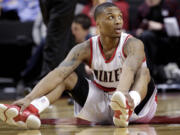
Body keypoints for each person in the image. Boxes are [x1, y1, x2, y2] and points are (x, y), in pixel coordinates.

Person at [0, 2, 157, 129]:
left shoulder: (133, 43)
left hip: (137, 105)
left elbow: (130, 69)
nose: (118, 21)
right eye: (111, 17)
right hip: (103, 102)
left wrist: (122, 97)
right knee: (67, 76)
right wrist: (29, 98)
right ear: (99, 24)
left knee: (144, 71)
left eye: (120, 17)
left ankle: (126, 105)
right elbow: (58, 73)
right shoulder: (84, 48)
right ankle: (32, 110)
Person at [132, 0, 180, 83]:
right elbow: (136, 28)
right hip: (150, 42)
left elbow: (177, 29)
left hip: (171, 42)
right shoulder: (143, 8)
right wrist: (139, 30)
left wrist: (161, 27)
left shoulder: (172, 4)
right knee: (145, 36)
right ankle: (147, 76)